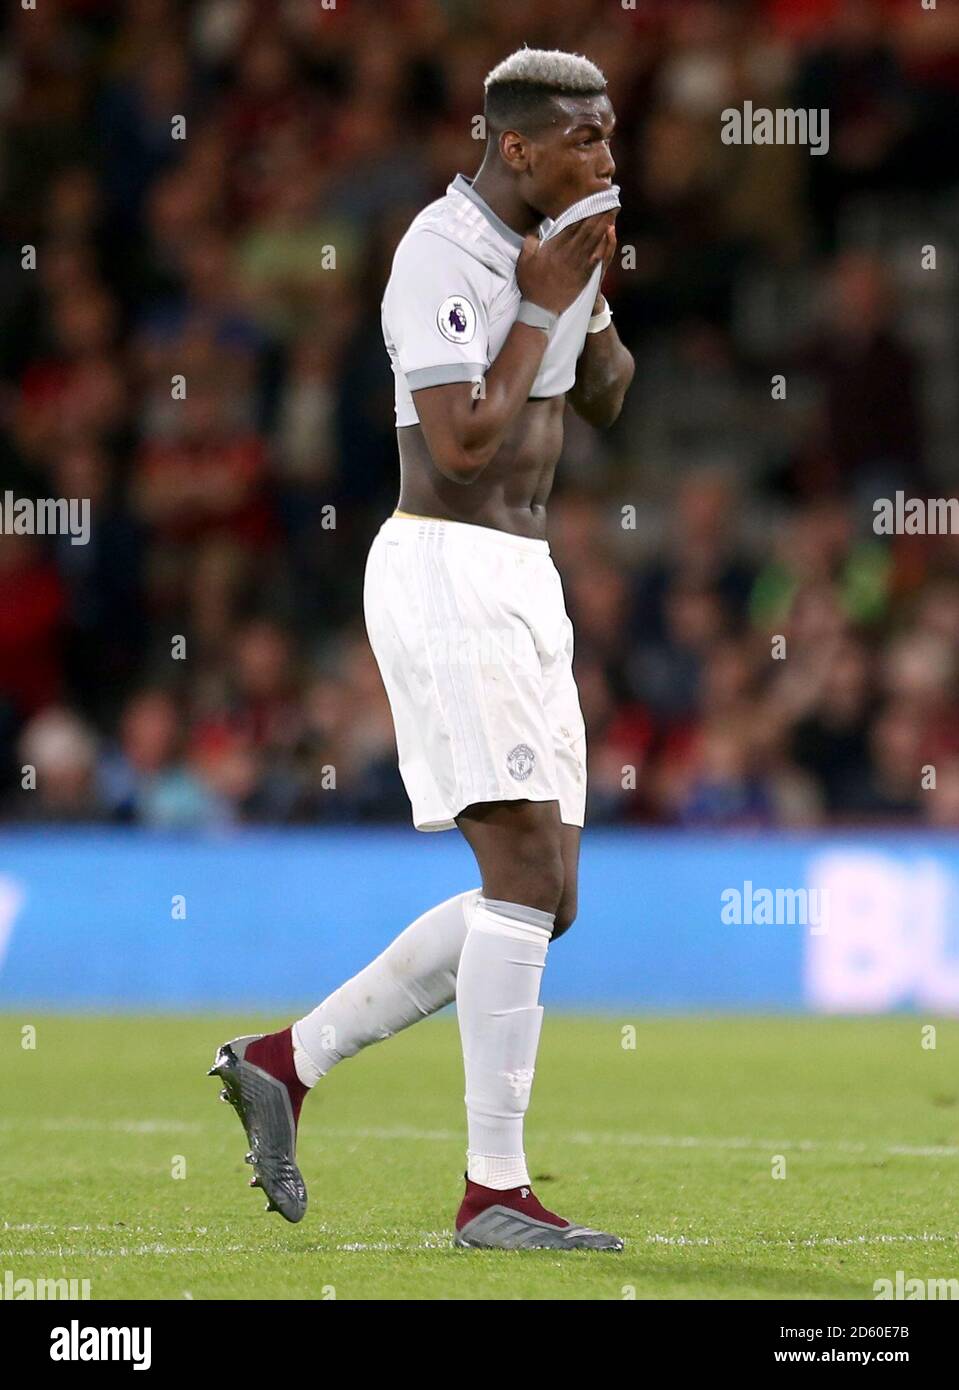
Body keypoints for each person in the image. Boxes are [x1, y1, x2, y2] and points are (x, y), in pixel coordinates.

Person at [210, 46, 634, 1251]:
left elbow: (603, 397)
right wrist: (543, 297)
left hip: (521, 575)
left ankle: (287, 1063)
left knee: (547, 901)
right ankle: (492, 1193)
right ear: (516, 146)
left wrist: (588, 296)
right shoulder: (433, 258)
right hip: (446, 564)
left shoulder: (553, 248)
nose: (608, 159)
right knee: (517, 879)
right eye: (587, 141)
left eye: (609, 137)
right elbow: (455, 444)